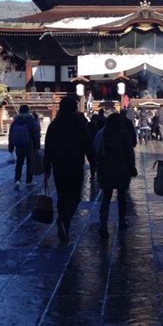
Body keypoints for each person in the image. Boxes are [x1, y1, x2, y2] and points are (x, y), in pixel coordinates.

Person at [44, 96, 95, 243]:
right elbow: (88, 145)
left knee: (62, 195)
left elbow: (48, 148)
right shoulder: (79, 124)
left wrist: (46, 166)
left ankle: (63, 221)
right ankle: (64, 220)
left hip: (59, 165)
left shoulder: (54, 125)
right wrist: (93, 163)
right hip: (75, 164)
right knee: (74, 197)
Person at [95, 113, 137, 239]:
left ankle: (103, 223)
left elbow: (95, 148)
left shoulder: (102, 134)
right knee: (121, 196)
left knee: (106, 198)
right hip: (121, 168)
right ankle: (122, 219)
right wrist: (131, 167)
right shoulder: (123, 134)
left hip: (105, 169)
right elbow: (129, 152)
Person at [8, 104, 39, 190]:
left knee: (19, 163)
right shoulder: (30, 120)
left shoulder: (15, 121)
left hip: (18, 145)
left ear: (20, 111)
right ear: (27, 110)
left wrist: (11, 147)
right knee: (29, 163)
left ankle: (17, 180)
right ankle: (29, 181)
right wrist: (37, 145)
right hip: (29, 144)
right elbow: (35, 133)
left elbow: (11, 134)